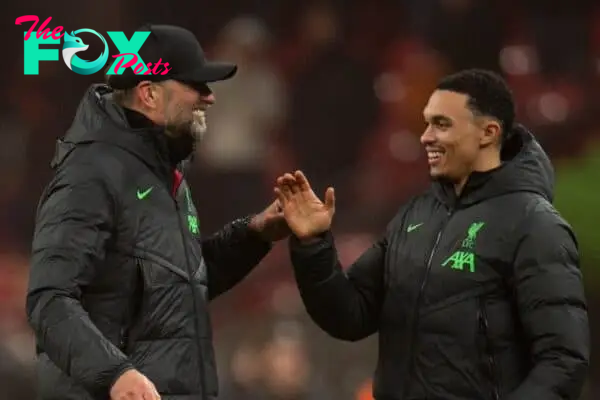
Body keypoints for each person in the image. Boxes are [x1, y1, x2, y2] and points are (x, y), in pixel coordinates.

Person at [275, 69, 589, 399]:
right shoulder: (415, 215)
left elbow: (562, 361)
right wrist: (313, 245)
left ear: (488, 133)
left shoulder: (534, 225)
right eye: (427, 123)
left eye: (441, 124)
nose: (425, 137)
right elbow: (350, 315)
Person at [26, 24, 289, 400]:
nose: (210, 98)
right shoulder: (92, 173)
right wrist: (114, 374)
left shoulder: (166, 176)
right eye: (195, 86)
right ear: (149, 94)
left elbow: (175, 290)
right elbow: (49, 299)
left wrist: (256, 234)